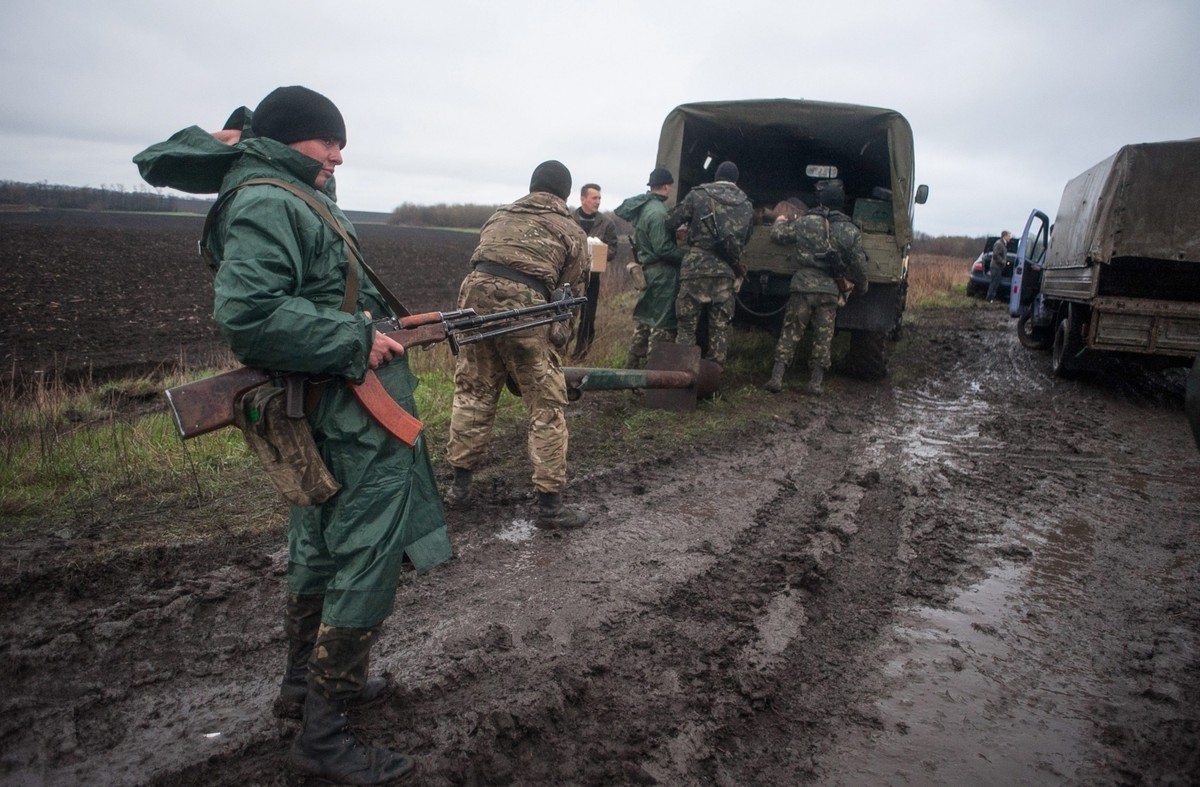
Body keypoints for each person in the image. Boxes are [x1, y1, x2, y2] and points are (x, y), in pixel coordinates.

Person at [134, 85, 451, 785]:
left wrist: (365, 328)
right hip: (346, 413)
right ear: (288, 141)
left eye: (341, 144)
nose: (339, 155)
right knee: (365, 555)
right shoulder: (271, 199)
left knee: (318, 547)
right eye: (328, 142)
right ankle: (325, 734)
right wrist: (355, 339)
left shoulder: (289, 191)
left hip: (325, 405)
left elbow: (313, 293)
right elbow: (249, 315)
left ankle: (304, 689)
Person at [443, 161, 590, 529]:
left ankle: (459, 490)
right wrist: (556, 341)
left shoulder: (499, 216)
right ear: (565, 195)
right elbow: (570, 296)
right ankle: (550, 507)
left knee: (473, 392)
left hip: (472, 301)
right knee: (546, 405)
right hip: (526, 308)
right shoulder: (572, 231)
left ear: (532, 186)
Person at [764, 179, 869, 395]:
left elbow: (778, 235)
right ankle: (815, 383)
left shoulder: (806, 222)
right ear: (841, 204)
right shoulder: (851, 231)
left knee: (790, 331)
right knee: (823, 337)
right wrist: (862, 286)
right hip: (830, 290)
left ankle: (776, 378)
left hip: (803, 285)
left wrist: (780, 221)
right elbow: (859, 265)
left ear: (821, 201)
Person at [664, 161, 754, 368]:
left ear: (716, 176)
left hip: (696, 268)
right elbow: (746, 238)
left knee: (687, 324)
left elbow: (670, 221)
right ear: (736, 180)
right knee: (719, 326)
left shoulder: (698, 195)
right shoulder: (747, 204)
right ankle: (714, 374)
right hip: (725, 271)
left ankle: (683, 372)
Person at [613, 167, 684, 369]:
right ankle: (654, 374)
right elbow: (663, 248)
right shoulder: (659, 212)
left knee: (644, 323)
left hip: (649, 272)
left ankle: (631, 369)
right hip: (663, 276)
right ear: (666, 187)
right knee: (662, 326)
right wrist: (687, 257)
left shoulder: (645, 208)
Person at [570, 183, 619, 360]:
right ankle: (560, 351)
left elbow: (613, 249)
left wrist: (600, 252)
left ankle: (580, 354)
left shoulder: (607, 223)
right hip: (570, 276)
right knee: (566, 313)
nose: (597, 201)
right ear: (583, 199)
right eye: (594, 198)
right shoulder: (569, 219)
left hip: (593, 277)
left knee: (588, 317)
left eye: (599, 198)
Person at [987, 230, 1012, 303]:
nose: (1010, 237)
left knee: (996, 282)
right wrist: (1002, 261)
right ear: (1005, 236)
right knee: (994, 282)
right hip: (995, 266)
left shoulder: (1003, 244)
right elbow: (995, 255)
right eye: (1009, 236)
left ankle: (992, 297)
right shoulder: (999, 244)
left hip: (998, 267)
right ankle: (990, 298)